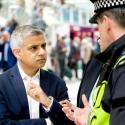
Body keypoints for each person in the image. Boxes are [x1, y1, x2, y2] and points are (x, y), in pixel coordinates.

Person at [61, 0, 125, 125]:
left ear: (106, 23)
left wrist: (89, 121)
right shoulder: (114, 60)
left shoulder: (121, 66)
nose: (98, 33)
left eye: (98, 25)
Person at [0, 25, 70, 125]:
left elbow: (68, 120)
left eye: (43, 46)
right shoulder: (2, 84)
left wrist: (48, 102)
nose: (42, 52)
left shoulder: (57, 83)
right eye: (34, 48)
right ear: (17, 53)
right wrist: (47, 122)